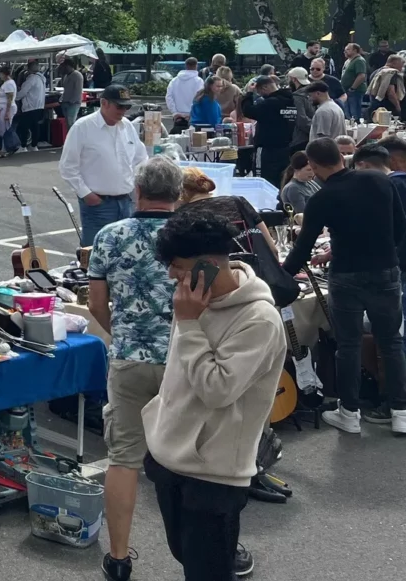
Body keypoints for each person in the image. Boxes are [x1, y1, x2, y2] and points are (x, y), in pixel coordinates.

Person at [142, 211, 283, 581]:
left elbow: (218, 390)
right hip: (169, 453)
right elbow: (179, 371)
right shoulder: (193, 296)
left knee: (207, 571)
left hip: (213, 473)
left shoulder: (258, 319)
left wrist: (189, 324)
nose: (171, 275)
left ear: (206, 264)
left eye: (177, 266)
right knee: (183, 554)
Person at [88, 158, 182, 581]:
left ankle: (120, 558)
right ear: (177, 195)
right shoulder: (189, 235)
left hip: (129, 358)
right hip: (184, 358)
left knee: (123, 458)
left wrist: (124, 334)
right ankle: (204, 547)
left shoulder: (110, 235)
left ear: (136, 191)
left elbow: (95, 305)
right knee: (193, 459)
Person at [283, 136, 406, 434]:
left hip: (346, 275)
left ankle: (349, 412)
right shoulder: (380, 181)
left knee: (348, 345)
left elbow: (302, 248)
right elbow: (400, 225)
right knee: (391, 342)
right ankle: (401, 410)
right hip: (385, 271)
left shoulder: (322, 198)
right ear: (341, 155)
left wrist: (280, 275)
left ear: (312, 165)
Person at [59, 85, 146, 248]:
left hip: (126, 201)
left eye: (127, 106)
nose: (124, 111)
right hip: (99, 203)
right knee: (94, 253)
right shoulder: (82, 127)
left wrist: (138, 190)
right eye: (119, 106)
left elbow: (140, 159)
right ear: (104, 103)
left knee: (125, 251)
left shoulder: (127, 126)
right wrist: (86, 194)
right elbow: (68, 167)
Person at [239, 75, 296, 186]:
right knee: (281, 181)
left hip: (267, 148)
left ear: (264, 88)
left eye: (259, 92)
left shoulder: (271, 103)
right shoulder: (291, 102)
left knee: (263, 181)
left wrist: (249, 94)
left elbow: (249, 111)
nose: (260, 95)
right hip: (285, 148)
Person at [164, 58, 202, 132]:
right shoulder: (199, 81)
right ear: (196, 66)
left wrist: (174, 112)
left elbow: (169, 97)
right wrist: (193, 113)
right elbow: (200, 98)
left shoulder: (174, 80)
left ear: (185, 65)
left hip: (178, 117)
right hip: (192, 117)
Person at [15, 60, 47, 149]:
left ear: (28, 69)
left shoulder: (31, 79)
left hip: (30, 106)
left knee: (23, 127)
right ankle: (34, 145)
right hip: (39, 106)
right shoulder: (42, 78)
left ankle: (23, 146)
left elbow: (23, 92)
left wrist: (15, 97)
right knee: (35, 127)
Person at [366, 52, 405, 118]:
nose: (401, 68)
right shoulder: (391, 73)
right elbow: (391, 93)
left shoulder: (375, 73)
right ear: (394, 63)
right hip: (387, 109)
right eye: (401, 65)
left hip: (374, 108)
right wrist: (398, 107)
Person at [0, 64, 20, 156]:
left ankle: (7, 148)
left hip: (6, 108)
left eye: (0, 74)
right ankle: (6, 148)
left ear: (4, 74)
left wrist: (7, 112)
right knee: (2, 129)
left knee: (5, 129)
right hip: (4, 108)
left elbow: (9, 98)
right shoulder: (7, 83)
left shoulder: (9, 84)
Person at [285, 67, 313, 151]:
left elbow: (301, 120)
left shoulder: (297, 97)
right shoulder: (313, 93)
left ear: (294, 79)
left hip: (300, 140)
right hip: (312, 138)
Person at [342, 41, 368, 119]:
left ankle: (356, 127)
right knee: (347, 112)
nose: (345, 51)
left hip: (355, 91)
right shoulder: (348, 61)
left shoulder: (359, 60)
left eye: (348, 49)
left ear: (355, 50)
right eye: (345, 49)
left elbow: (361, 76)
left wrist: (352, 88)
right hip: (346, 91)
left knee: (354, 113)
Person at [58, 59, 85, 129]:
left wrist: (72, 101)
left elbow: (78, 90)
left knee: (71, 123)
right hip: (65, 102)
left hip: (73, 103)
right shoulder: (66, 76)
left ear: (69, 66)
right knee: (68, 123)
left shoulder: (77, 75)